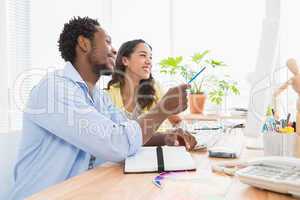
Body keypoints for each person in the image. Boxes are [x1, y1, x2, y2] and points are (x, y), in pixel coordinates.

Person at [9, 16, 196, 199]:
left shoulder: (98, 97)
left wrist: (167, 137)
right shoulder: (55, 89)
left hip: (83, 190)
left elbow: (128, 131)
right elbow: (116, 143)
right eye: (107, 42)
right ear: (84, 43)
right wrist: (161, 110)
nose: (114, 50)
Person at [107, 39, 182, 125]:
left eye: (150, 57)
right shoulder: (108, 95)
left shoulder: (155, 88)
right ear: (125, 61)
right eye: (143, 55)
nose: (148, 61)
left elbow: (177, 121)